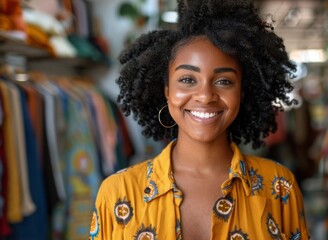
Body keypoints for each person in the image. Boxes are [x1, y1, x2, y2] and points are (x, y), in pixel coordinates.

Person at [89, 0, 310, 239]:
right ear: (166, 90)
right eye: (187, 80)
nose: (205, 96)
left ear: (242, 93)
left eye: (224, 81)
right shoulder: (118, 193)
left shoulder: (278, 187)